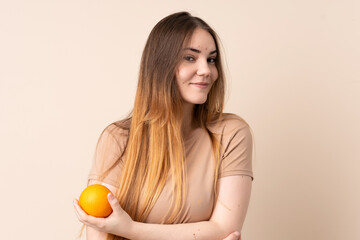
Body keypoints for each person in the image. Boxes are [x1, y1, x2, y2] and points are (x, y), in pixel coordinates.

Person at [73, 11, 254, 240]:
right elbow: (100, 231)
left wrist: (129, 229)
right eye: (190, 57)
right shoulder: (118, 138)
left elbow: (224, 230)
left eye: (211, 59)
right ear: (161, 65)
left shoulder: (231, 133)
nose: (206, 70)